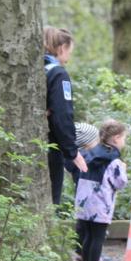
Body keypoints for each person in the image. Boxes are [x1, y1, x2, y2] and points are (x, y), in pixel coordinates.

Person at [75, 120, 129, 261]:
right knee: (98, 236)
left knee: (87, 235)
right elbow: (119, 182)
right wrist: (124, 170)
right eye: (124, 138)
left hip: (84, 201)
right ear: (116, 138)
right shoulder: (113, 159)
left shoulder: (89, 154)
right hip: (100, 203)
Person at [44, 27, 87, 205]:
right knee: (50, 199)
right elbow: (62, 115)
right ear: (61, 48)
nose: (68, 58)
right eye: (69, 51)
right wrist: (72, 151)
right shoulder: (58, 74)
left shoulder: (37, 69)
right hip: (51, 146)